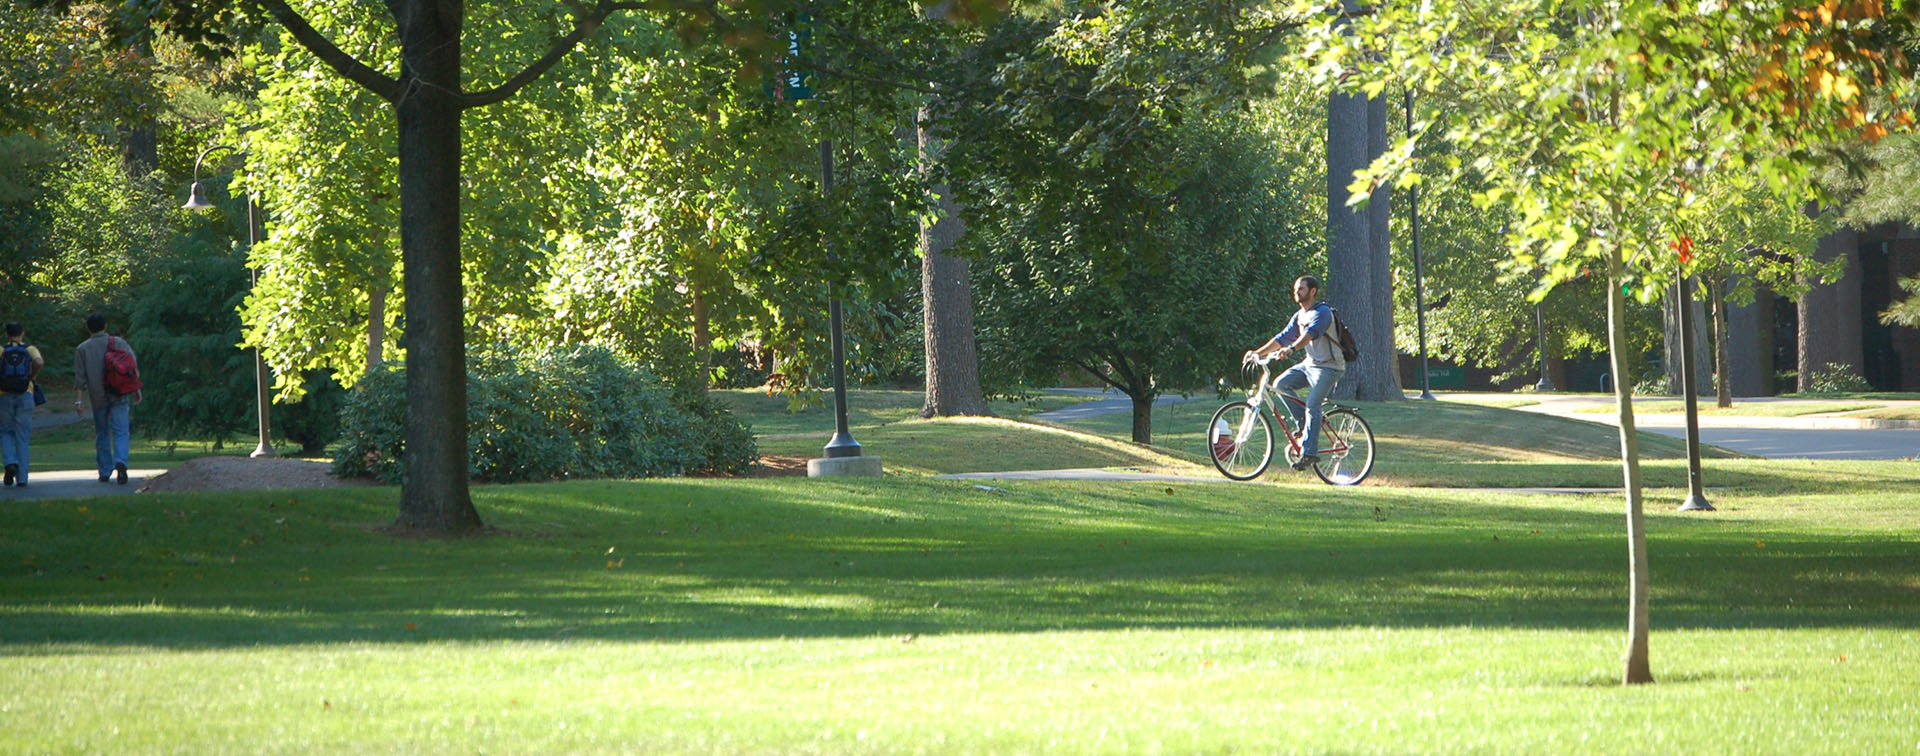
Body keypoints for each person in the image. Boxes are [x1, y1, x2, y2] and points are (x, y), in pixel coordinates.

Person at [1243, 275, 1347, 470]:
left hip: (1330, 367)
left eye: (1301, 289)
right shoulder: (1299, 316)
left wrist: (1291, 349)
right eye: (1295, 290)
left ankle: (1309, 452)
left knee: (1312, 404)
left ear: (1312, 291)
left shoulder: (1322, 312)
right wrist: (1257, 353)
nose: (1296, 293)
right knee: (1281, 384)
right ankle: (1303, 424)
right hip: (1310, 364)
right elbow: (1282, 338)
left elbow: (1311, 334)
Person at [74, 313, 142, 484]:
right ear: (105, 326)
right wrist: (136, 389)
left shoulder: (82, 348)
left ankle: (105, 470)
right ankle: (121, 461)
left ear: (88, 328)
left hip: (98, 397)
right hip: (119, 393)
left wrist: (79, 401)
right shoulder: (118, 342)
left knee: (102, 433)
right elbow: (132, 366)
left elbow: (80, 379)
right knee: (121, 431)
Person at [1, 322, 44, 487]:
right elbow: (39, 362)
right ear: (22, 334)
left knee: (5, 431)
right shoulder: (29, 349)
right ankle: (22, 478)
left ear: (7, 335)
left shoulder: (2, 350)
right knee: (23, 436)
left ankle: (10, 462)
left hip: (3, 395)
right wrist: (31, 376)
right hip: (25, 393)